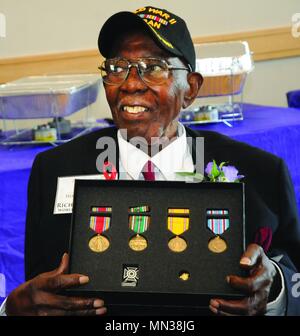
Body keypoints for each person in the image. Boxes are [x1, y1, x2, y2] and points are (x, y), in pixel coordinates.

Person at [1, 6, 300, 316]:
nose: (130, 84)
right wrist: (14, 308)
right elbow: (38, 292)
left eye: (153, 67)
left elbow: (293, 283)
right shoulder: (54, 171)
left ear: (191, 89)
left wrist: (274, 289)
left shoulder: (261, 173)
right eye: (117, 68)